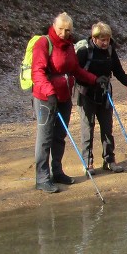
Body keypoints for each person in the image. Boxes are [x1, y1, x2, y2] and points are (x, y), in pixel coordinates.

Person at [31, 12, 98, 193]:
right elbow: (37, 72)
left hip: (64, 97)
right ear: (54, 26)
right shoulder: (43, 43)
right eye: (60, 29)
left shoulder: (68, 45)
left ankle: (57, 171)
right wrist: (49, 92)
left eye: (67, 30)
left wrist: (94, 79)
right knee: (45, 137)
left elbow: (75, 69)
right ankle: (42, 178)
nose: (63, 33)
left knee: (59, 136)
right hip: (45, 98)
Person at [76, 22, 127, 173]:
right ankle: (87, 162)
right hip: (86, 93)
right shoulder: (84, 51)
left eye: (107, 39)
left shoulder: (110, 50)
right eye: (102, 39)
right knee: (88, 127)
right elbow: (77, 73)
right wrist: (93, 80)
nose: (105, 42)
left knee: (107, 128)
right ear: (94, 38)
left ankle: (109, 160)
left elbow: (118, 71)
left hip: (104, 93)